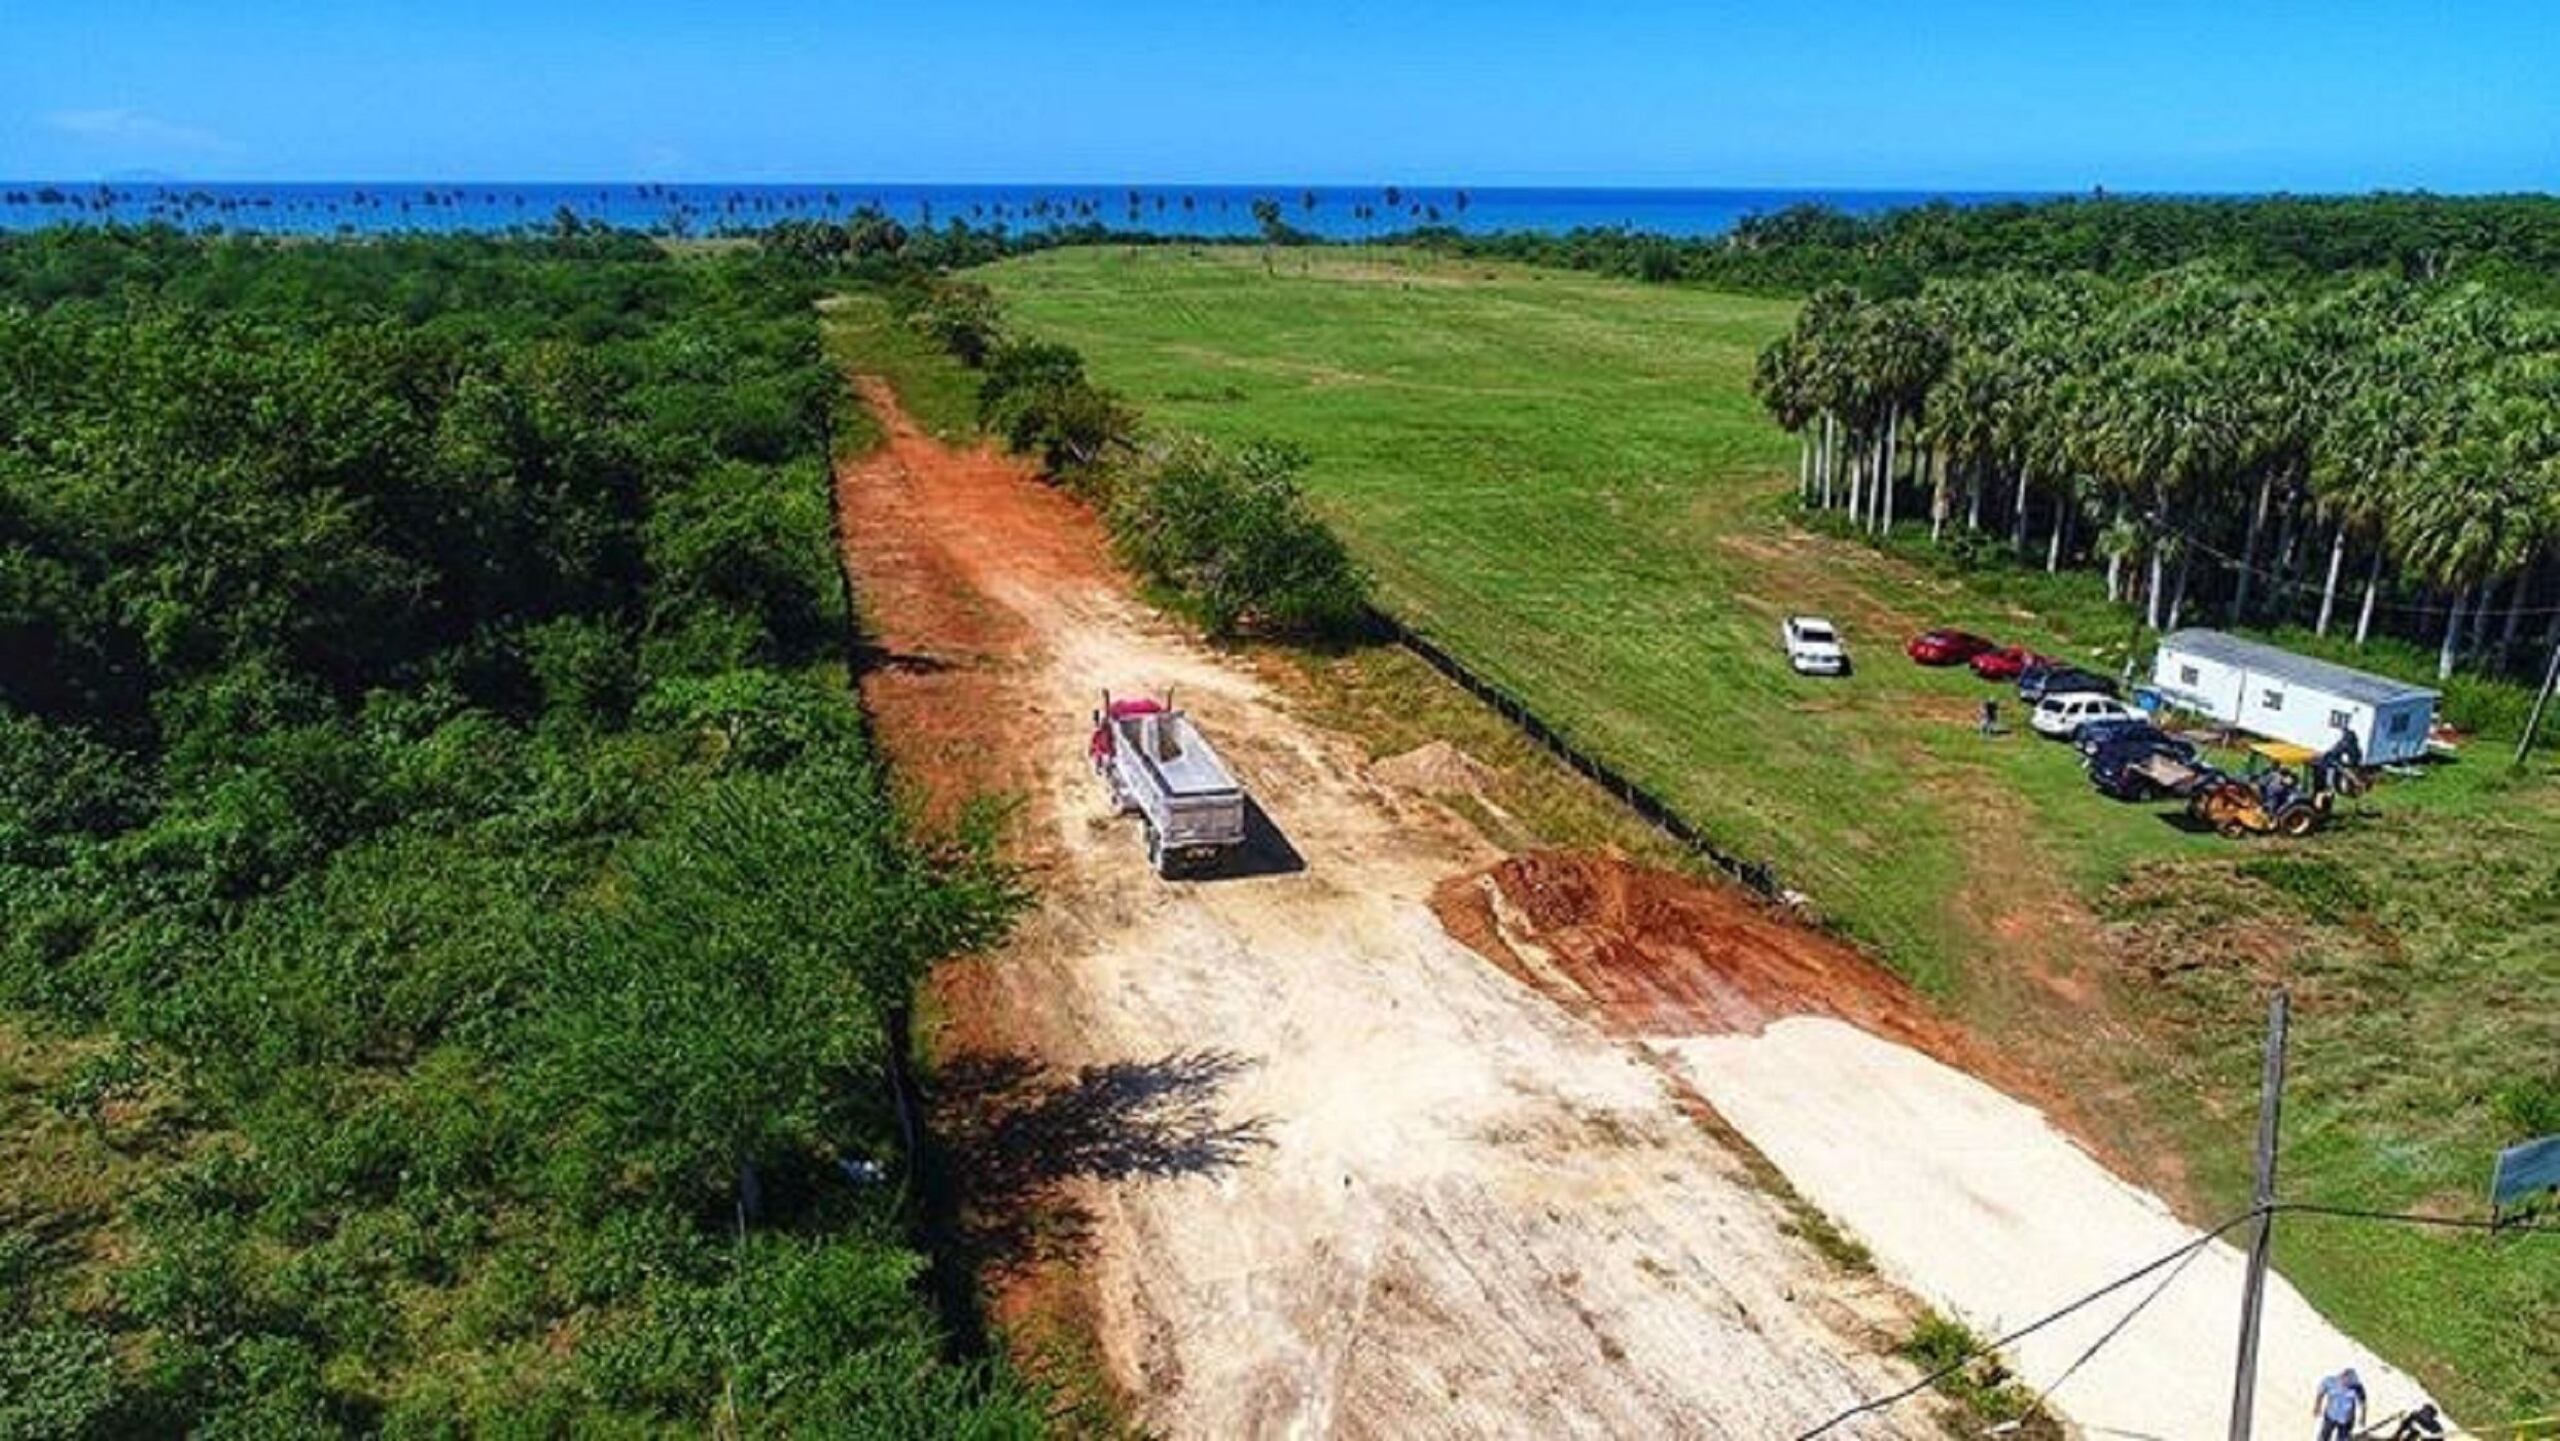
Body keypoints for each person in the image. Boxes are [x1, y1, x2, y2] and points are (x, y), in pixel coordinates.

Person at [2314, 1366, 2367, 1441]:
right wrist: (2317, 1406)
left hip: (2346, 1420)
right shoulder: (2330, 1381)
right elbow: (2321, 1393)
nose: (2352, 1384)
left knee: (2343, 1439)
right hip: (2331, 1415)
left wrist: (2363, 1417)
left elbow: (2362, 1403)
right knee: (2324, 1436)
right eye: (2350, 1382)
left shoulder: (2357, 1387)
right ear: (2343, 1378)